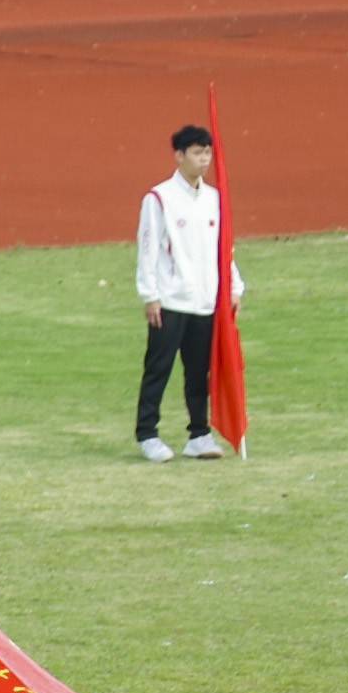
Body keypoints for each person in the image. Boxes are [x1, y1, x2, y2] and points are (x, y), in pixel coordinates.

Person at [134, 124, 245, 463]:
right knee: (159, 369)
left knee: (199, 374)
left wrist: (234, 286)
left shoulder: (214, 199)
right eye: (197, 153)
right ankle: (147, 435)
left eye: (207, 153)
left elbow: (223, 249)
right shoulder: (159, 198)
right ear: (179, 156)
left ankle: (199, 434)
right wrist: (150, 294)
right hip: (170, 300)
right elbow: (148, 248)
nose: (204, 159)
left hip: (205, 302)